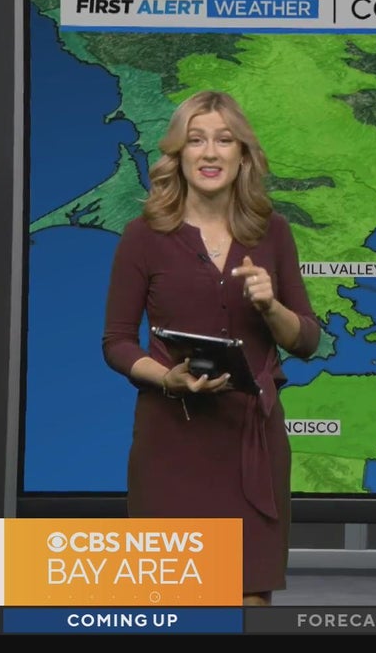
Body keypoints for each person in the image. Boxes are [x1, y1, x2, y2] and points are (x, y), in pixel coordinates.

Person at [102, 90, 321, 606]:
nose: (210, 152)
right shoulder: (142, 237)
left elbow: (307, 340)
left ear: (242, 155)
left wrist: (271, 307)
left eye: (224, 140)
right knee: (173, 602)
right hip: (171, 442)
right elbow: (116, 341)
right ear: (178, 155)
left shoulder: (273, 233)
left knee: (248, 602)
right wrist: (166, 378)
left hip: (250, 442)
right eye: (196, 140)